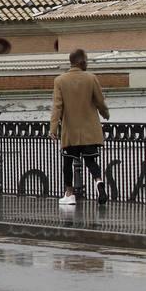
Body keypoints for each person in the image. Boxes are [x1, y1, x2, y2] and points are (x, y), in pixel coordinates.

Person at [49, 49, 110, 205]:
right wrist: (105, 114)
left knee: (68, 162)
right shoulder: (91, 78)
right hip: (90, 130)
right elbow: (100, 101)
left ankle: (69, 194)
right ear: (82, 61)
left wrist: (53, 128)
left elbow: (57, 106)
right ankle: (98, 182)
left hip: (71, 131)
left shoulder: (60, 80)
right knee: (91, 161)